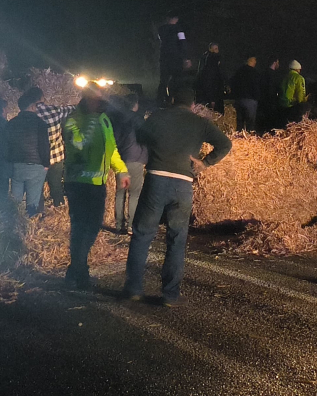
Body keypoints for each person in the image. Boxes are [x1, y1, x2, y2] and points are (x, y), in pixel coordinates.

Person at [124, 87, 232, 307]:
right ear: (192, 105)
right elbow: (225, 144)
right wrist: (205, 163)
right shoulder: (200, 123)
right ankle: (170, 295)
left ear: (172, 99)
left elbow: (141, 136)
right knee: (176, 239)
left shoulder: (158, 116)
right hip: (183, 183)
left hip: (156, 178)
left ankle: (133, 289)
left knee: (143, 234)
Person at [63, 83, 130, 289]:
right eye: (97, 98)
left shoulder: (104, 120)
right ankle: (78, 273)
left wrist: (121, 170)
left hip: (97, 184)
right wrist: (90, 124)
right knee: (82, 227)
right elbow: (77, 146)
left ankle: (76, 271)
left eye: (102, 98)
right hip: (79, 183)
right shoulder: (74, 120)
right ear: (87, 98)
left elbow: (112, 149)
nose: (101, 102)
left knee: (89, 227)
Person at [28, 87, 77, 209]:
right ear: (42, 97)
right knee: (56, 186)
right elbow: (71, 109)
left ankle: (38, 211)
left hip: (38, 159)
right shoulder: (55, 110)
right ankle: (59, 207)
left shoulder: (30, 115)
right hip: (56, 157)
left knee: (37, 187)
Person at [107, 93, 148, 234]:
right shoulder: (139, 119)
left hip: (121, 159)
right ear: (135, 104)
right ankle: (131, 225)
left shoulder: (116, 119)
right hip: (136, 159)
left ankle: (119, 225)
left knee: (120, 193)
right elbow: (146, 137)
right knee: (134, 194)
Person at [7, 93, 51, 217]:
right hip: (35, 165)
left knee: (15, 200)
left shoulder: (12, 123)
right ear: (32, 107)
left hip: (16, 165)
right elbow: (44, 145)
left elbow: (7, 144)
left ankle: (14, 220)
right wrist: (46, 164)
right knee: (33, 201)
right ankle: (30, 222)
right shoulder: (40, 123)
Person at [157, 12, 191, 107]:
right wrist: (186, 58)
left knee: (163, 80)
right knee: (176, 80)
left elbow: (161, 40)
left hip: (164, 58)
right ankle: (175, 100)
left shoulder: (161, 29)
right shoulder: (178, 29)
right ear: (175, 19)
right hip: (176, 59)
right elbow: (183, 42)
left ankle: (160, 101)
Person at [230, 56, 260, 132]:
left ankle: (240, 139)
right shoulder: (254, 73)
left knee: (240, 123)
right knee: (250, 123)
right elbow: (256, 86)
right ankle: (249, 139)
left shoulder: (239, 71)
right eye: (254, 60)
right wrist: (257, 97)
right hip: (250, 100)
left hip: (239, 100)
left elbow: (233, 83)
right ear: (250, 60)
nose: (255, 62)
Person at [195, 43, 226, 114]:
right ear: (210, 49)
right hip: (213, 95)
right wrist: (212, 98)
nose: (217, 51)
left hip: (205, 95)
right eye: (215, 49)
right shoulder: (212, 61)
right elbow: (212, 81)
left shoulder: (203, 60)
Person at [278, 60, 308, 124]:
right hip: (293, 105)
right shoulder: (299, 78)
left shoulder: (284, 77)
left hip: (282, 105)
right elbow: (300, 92)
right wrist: (302, 103)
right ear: (297, 69)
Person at [258, 56, 281, 132]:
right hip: (271, 102)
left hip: (262, 101)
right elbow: (272, 89)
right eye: (278, 62)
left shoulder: (263, 74)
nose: (279, 64)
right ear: (275, 62)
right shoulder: (273, 75)